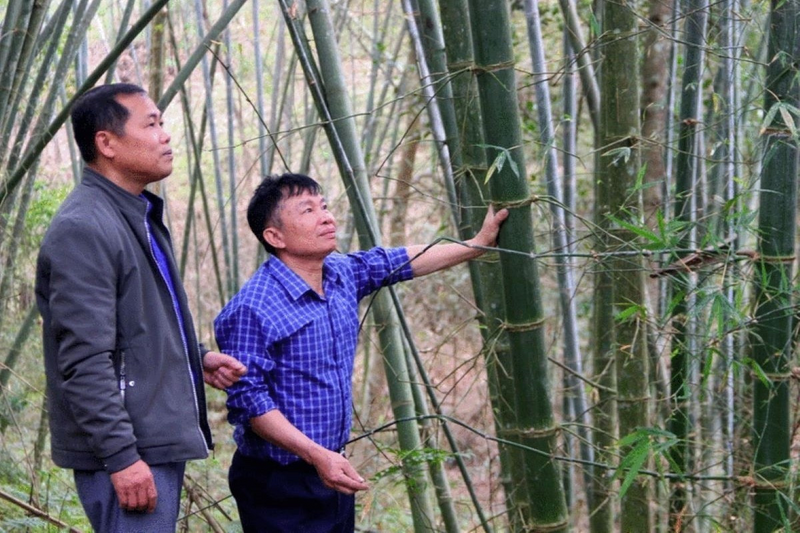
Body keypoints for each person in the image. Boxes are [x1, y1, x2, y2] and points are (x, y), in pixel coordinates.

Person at [214, 173, 508, 532]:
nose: (327, 217)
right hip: (278, 482)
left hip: (332, 468)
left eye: (324, 206)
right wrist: (316, 454)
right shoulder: (253, 308)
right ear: (275, 237)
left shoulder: (341, 274)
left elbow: (401, 261)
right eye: (308, 210)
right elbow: (250, 402)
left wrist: (475, 245)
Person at [35, 83, 247, 532]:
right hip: (130, 448)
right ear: (106, 143)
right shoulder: (85, 227)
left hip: (146, 436)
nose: (165, 135)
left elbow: (136, 326)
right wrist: (121, 456)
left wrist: (196, 357)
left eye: (163, 123)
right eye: (151, 124)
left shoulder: (134, 214)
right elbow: (83, 359)